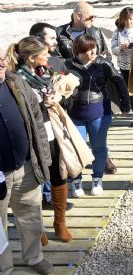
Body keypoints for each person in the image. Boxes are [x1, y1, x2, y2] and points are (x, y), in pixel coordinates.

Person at [7, 36, 74, 243]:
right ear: (32, 58)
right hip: (32, 135)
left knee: (58, 174)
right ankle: (38, 228)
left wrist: (57, 96)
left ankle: (60, 222)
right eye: (45, 55)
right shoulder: (16, 79)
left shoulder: (45, 72)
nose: (49, 57)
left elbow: (71, 80)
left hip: (51, 131)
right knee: (34, 179)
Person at [0, 45, 55, 275]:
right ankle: (4, 267)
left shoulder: (15, 81)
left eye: (2, 57)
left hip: (25, 166)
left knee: (31, 216)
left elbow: (35, 118)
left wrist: (43, 154)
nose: (2, 63)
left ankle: (34, 257)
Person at [65, 35, 130, 197]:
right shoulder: (68, 65)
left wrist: (125, 103)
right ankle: (76, 181)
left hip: (100, 112)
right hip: (75, 114)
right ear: (79, 50)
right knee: (76, 149)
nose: (94, 51)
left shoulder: (104, 63)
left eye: (95, 47)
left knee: (99, 147)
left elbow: (119, 81)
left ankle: (97, 179)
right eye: (89, 48)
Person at [29, 23, 74, 212]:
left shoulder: (56, 62)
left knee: (57, 167)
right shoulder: (18, 74)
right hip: (35, 128)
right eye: (52, 38)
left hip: (54, 124)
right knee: (37, 168)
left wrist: (61, 96)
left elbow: (68, 93)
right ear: (39, 40)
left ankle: (58, 215)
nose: (56, 42)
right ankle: (40, 203)